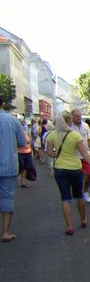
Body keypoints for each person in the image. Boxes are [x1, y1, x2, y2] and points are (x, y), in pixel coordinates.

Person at [46, 111, 90, 235]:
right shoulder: (75, 135)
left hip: (60, 169)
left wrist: (58, 155)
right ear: (69, 122)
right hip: (75, 168)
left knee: (65, 198)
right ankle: (83, 219)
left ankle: (69, 226)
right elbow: (84, 152)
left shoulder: (51, 135)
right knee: (79, 195)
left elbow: (49, 152)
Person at [0, 96, 27, 242]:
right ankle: (5, 232)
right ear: (2, 104)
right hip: (8, 165)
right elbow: (22, 143)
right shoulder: (13, 121)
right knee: (7, 197)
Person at [71, 109, 90, 203]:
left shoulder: (85, 126)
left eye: (80, 116)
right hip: (74, 155)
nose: (79, 118)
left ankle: (85, 191)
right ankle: (78, 192)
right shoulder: (69, 127)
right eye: (77, 116)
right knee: (75, 176)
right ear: (72, 117)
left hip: (86, 155)